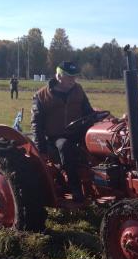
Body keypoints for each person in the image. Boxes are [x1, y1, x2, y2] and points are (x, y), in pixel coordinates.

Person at [31, 61, 94, 203]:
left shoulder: (78, 90)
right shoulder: (41, 96)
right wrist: (41, 150)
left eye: (75, 77)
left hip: (78, 132)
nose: (73, 80)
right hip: (56, 137)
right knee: (65, 146)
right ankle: (75, 188)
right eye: (70, 77)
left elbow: (88, 111)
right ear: (59, 76)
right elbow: (37, 124)